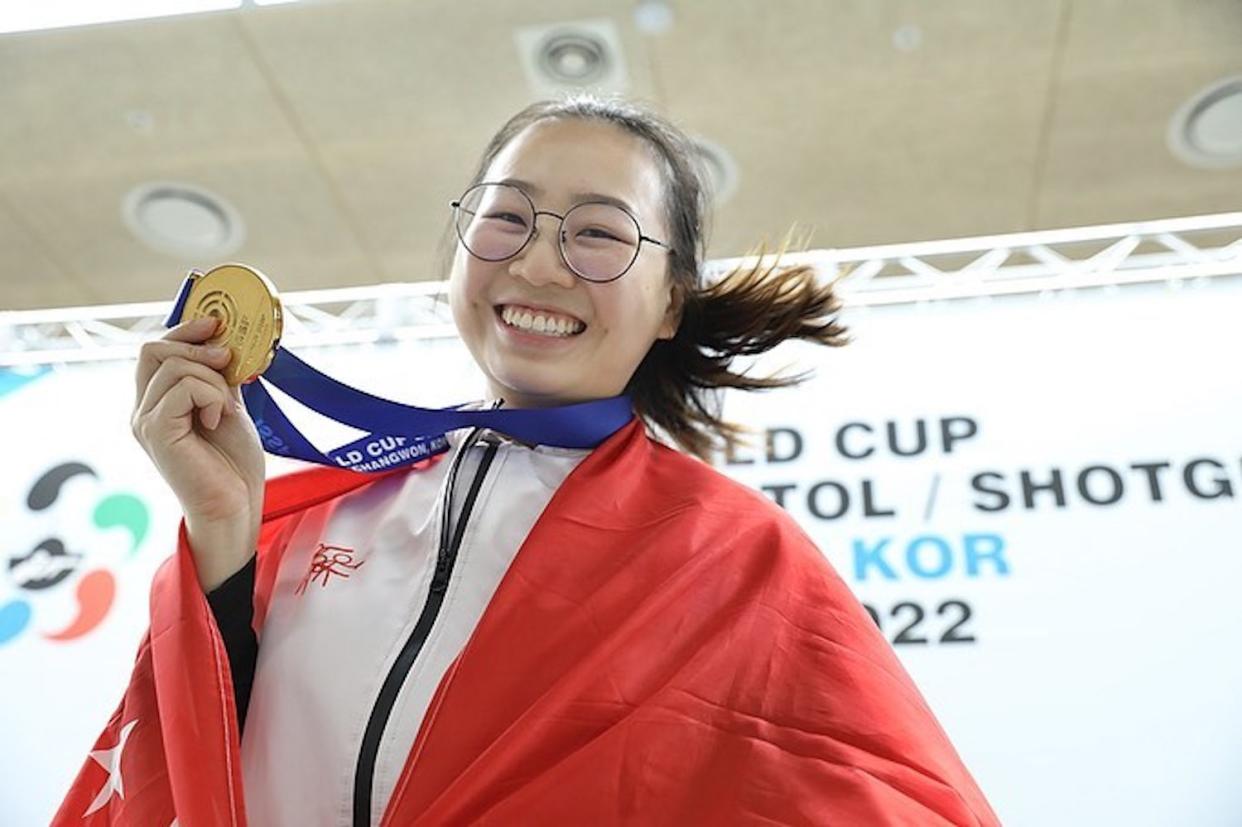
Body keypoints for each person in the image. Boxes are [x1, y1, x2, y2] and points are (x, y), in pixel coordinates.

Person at [56, 96, 999, 826]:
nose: (540, 266)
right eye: (507, 218)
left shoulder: (738, 556)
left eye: (597, 233)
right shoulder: (311, 511)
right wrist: (225, 530)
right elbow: (196, 773)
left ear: (672, 302)